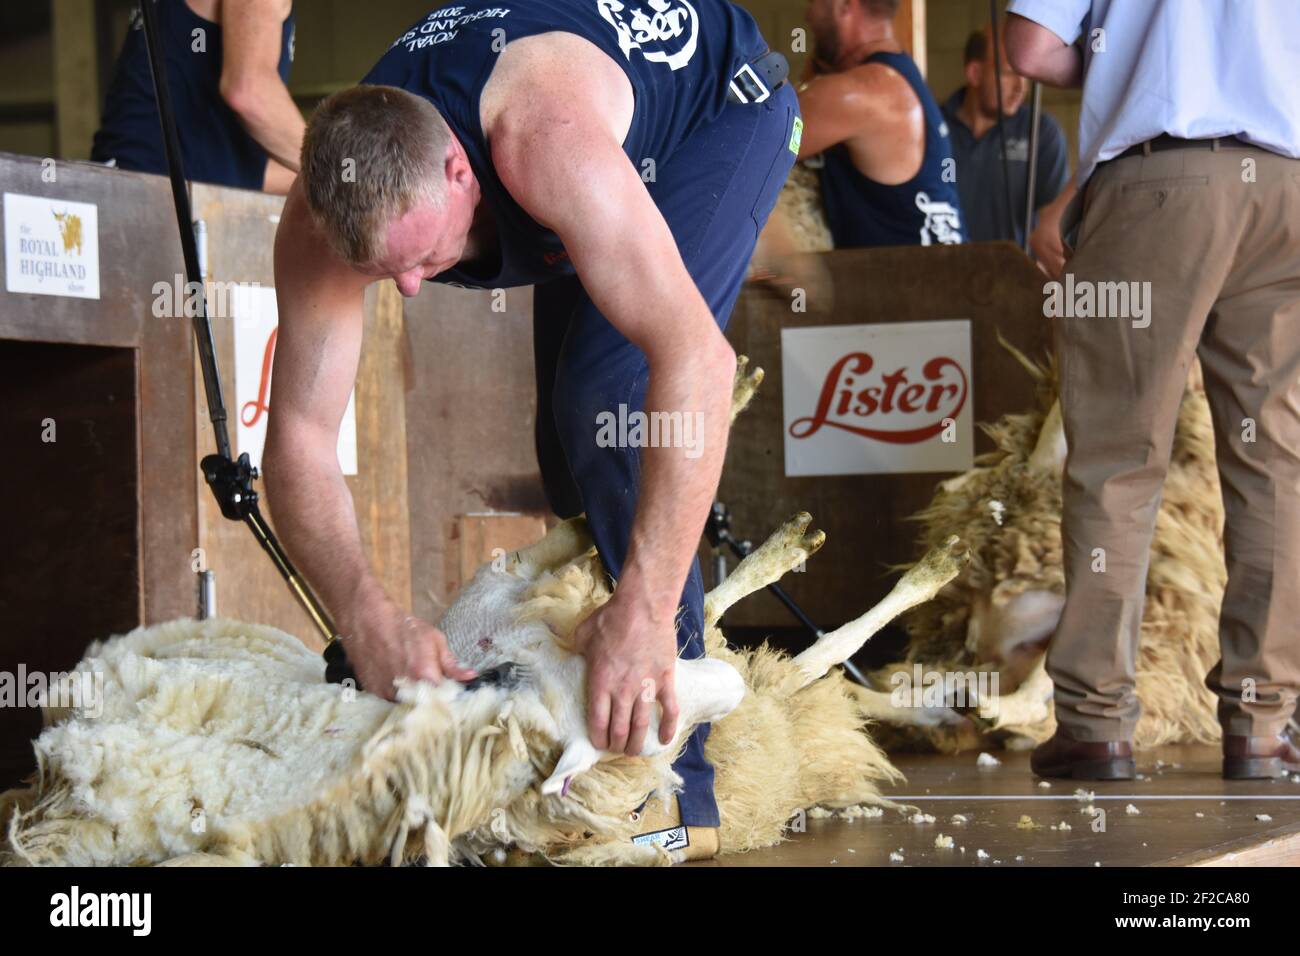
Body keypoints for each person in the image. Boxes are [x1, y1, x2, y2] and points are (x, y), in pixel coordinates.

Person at [263, 1, 800, 858]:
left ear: (458, 169)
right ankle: (593, 707)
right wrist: (363, 614)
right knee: (567, 461)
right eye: (383, 271)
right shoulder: (324, 220)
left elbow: (699, 360)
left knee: (607, 403)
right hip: (576, 144)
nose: (406, 289)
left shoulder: (541, 139)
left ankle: (677, 790)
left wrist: (650, 606)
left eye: (424, 259)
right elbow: (294, 440)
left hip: (717, 112)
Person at [1006, 0, 1300, 780]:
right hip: (1289, 183)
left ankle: (1098, 725)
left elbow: (1031, 48)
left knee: (1118, 461)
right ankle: (1263, 726)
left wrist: (1127, 59)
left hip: (1162, 181)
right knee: (1276, 466)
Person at [796, 0, 965, 248]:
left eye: (815, 2)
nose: (808, 15)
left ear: (843, 5)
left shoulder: (860, 93)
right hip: (941, 273)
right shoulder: (899, 76)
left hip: (913, 282)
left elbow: (751, 144)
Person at [92, 0, 302, 194]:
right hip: (155, 198)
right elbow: (250, 93)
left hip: (126, 185)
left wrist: (322, 179)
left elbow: (237, 166)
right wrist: (332, 161)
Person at [941, 25, 1073, 272]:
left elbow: (1053, 227)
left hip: (1015, 282)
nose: (1021, 87)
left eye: (1025, 75)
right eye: (1009, 73)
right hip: (945, 278)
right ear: (975, 73)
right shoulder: (934, 128)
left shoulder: (1041, 132)